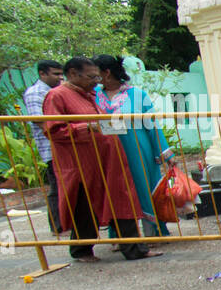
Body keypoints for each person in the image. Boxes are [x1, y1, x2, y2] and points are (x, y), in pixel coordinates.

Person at [41, 57, 160, 261]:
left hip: (108, 161)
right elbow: (54, 130)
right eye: (91, 77)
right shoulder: (57, 96)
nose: (96, 81)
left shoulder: (88, 95)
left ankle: (135, 249)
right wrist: (85, 127)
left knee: (122, 201)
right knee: (85, 209)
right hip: (83, 165)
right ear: (72, 74)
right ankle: (81, 250)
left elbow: (100, 123)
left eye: (97, 76)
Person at [94, 55, 174, 239]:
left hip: (137, 149)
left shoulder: (137, 94)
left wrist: (164, 152)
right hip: (108, 151)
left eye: (96, 72)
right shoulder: (94, 96)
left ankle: (153, 232)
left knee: (144, 186)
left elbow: (151, 124)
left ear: (106, 72)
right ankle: (121, 237)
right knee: (114, 190)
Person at [21, 60, 63, 233]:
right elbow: (39, 121)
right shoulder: (36, 93)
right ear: (42, 74)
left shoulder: (56, 91)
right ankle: (57, 226)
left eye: (61, 74)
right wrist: (62, 136)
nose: (60, 78)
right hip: (52, 148)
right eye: (55, 74)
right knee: (58, 187)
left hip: (63, 147)